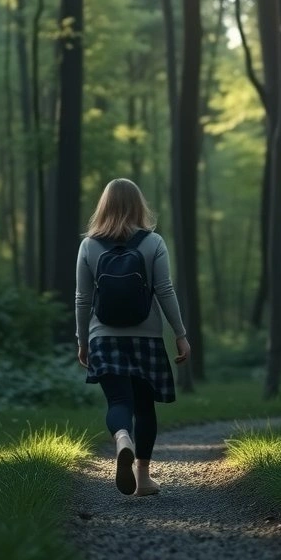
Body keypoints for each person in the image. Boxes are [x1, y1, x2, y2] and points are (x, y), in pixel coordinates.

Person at [75, 178, 190, 496]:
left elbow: (82, 299)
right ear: (139, 205)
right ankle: (142, 477)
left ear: (103, 206)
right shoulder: (153, 243)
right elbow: (164, 290)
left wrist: (83, 341)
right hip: (147, 339)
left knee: (118, 402)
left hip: (104, 337)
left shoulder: (89, 246)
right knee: (144, 406)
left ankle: (122, 438)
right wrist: (180, 334)